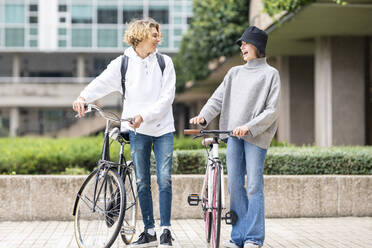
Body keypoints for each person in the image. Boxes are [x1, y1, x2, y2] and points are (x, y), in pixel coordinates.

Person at [72, 18, 176, 247]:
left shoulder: (164, 62)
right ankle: (149, 232)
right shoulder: (123, 63)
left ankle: (166, 231)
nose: (159, 39)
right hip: (137, 131)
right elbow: (101, 83)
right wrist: (82, 97)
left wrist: (144, 116)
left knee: (164, 179)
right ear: (140, 37)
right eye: (154, 35)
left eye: (159, 35)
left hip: (163, 129)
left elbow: (167, 98)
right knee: (141, 182)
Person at [189, 26, 280, 248]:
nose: (241, 47)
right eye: (241, 44)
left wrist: (249, 127)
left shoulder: (271, 74)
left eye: (245, 43)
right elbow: (217, 98)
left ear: (257, 46)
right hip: (232, 136)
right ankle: (238, 236)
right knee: (235, 186)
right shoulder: (234, 73)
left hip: (255, 137)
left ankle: (254, 238)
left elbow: (272, 111)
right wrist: (203, 116)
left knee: (254, 186)